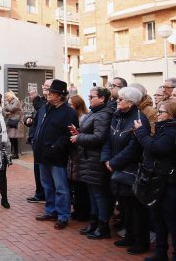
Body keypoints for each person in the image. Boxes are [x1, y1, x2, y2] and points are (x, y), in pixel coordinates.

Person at [134, 101, 176, 261]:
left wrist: (141, 132)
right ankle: (160, 253)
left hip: (168, 182)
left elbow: (156, 148)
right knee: (158, 220)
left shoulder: (173, 131)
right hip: (156, 180)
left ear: (170, 115)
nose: (158, 113)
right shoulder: (163, 128)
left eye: (162, 111)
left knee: (173, 222)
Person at [101, 86, 150, 255]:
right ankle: (129, 235)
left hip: (130, 169)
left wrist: (114, 162)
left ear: (130, 103)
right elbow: (108, 139)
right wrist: (106, 159)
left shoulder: (138, 119)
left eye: (121, 99)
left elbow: (134, 147)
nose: (117, 101)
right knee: (124, 206)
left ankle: (141, 241)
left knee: (136, 208)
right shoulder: (117, 116)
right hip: (115, 167)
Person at [32, 80, 78, 231]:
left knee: (61, 187)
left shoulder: (69, 113)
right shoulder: (46, 108)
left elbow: (69, 134)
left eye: (51, 92)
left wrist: (55, 146)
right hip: (42, 155)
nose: (48, 94)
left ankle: (63, 216)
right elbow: (36, 125)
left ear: (60, 96)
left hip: (57, 156)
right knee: (47, 185)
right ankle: (51, 211)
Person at [70, 87, 113, 240]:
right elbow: (88, 132)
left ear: (102, 98)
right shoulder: (95, 112)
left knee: (99, 194)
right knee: (92, 193)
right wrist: (78, 131)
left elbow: (99, 137)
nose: (89, 98)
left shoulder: (103, 114)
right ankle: (94, 222)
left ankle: (103, 226)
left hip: (96, 159)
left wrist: (79, 138)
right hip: (88, 158)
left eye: (92, 96)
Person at [25, 79, 52, 204]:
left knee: (45, 171)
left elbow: (43, 111)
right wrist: (28, 120)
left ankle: (45, 195)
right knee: (37, 169)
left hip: (46, 143)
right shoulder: (42, 100)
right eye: (44, 85)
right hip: (36, 140)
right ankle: (40, 193)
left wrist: (35, 99)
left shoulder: (48, 103)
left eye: (48, 86)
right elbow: (36, 116)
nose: (45, 87)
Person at [67, 94, 90, 221]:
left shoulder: (84, 118)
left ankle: (83, 211)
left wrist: (78, 133)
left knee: (82, 187)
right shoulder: (73, 117)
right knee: (75, 184)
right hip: (73, 156)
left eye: (71, 104)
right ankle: (77, 209)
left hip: (82, 156)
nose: (69, 107)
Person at [3, 90, 24, 159]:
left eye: (7, 97)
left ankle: (15, 154)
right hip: (11, 122)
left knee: (14, 139)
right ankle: (13, 153)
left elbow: (11, 109)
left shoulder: (16, 101)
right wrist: (7, 113)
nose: (6, 98)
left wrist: (6, 104)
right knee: (12, 139)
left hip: (15, 123)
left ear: (10, 96)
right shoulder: (10, 102)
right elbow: (3, 111)